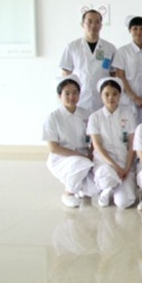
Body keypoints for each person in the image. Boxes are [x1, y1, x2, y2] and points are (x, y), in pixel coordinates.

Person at [43, 75, 96, 208]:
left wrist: (90, 153)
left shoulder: (87, 114)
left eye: (75, 93)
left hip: (84, 156)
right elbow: (53, 148)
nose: (71, 97)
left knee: (94, 189)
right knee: (81, 163)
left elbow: (93, 139)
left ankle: (77, 187)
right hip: (62, 158)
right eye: (67, 93)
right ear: (59, 96)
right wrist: (81, 156)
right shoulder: (53, 118)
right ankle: (68, 193)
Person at [87, 77, 137, 208]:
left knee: (124, 203)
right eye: (107, 94)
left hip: (124, 162)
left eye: (115, 94)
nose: (111, 98)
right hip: (105, 163)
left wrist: (126, 168)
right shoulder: (95, 117)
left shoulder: (128, 114)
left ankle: (112, 189)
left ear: (120, 95)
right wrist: (115, 166)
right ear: (101, 96)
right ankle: (106, 190)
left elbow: (132, 144)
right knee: (107, 176)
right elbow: (97, 146)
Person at [59, 9, 116, 112]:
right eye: (89, 21)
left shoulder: (110, 48)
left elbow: (113, 74)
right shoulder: (72, 47)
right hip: (79, 98)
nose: (93, 25)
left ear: (101, 25)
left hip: (103, 99)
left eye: (97, 22)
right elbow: (66, 73)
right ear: (82, 24)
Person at [113, 16, 142, 123]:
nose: (138, 32)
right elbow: (121, 76)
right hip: (128, 98)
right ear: (130, 30)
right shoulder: (122, 51)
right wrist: (135, 98)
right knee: (128, 126)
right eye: (135, 29)